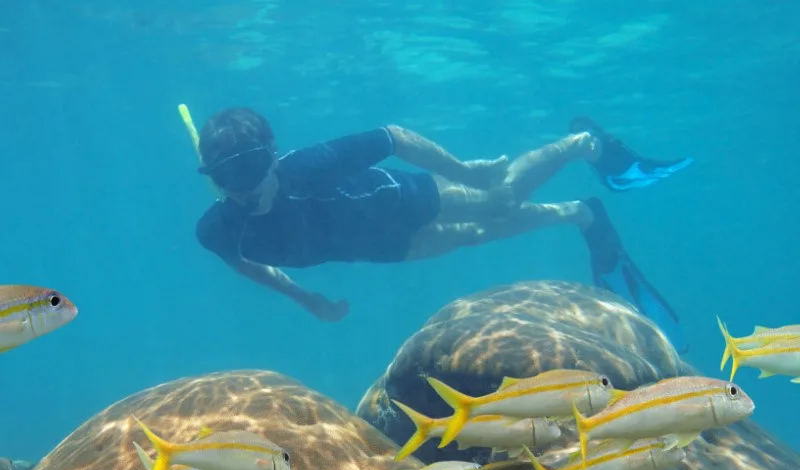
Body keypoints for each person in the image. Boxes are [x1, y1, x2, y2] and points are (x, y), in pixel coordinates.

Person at [194, 109, 693, 352]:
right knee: (478, 235)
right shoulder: (219, 229)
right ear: (211, 178)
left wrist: (465, 173)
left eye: (254, 167)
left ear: (273, 154)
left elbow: (395, 137)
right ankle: (581, 213)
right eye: (226, 178)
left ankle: (585, 141)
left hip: (397, 196)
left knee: (498, 199)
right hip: (381, 246)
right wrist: (309, 300)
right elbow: (247, 266)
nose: (244, 189)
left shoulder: (307, 166)